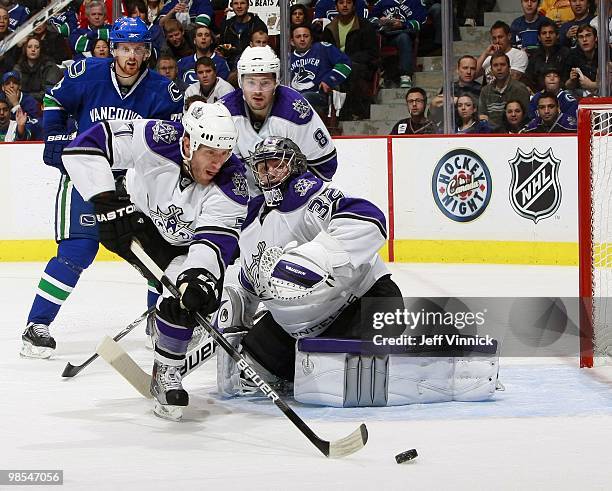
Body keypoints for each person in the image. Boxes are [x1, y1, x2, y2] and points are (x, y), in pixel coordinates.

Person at [62, 102, 248, 420]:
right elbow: (84, 145)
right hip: (137, 225)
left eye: (224, 153)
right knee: (176, 295)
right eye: (210, 152)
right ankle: (166, 323)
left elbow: (213, 244)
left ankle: (166, 372)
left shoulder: (233, 185)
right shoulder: (155, 137)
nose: (218, 162)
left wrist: (198, 279)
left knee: (187, 298)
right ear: (188, 142)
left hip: (189, 247)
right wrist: (105, 199)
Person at [21, 17, 184, 359]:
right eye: (125, 48)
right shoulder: (87, 74)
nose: (131, 56)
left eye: (138, 49)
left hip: (136, 184)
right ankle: (37, 326)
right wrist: (54, 134)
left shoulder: (162, 91)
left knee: (156, 254)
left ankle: (160, 321)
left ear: (147, 52)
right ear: (114, 49)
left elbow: (171, 139)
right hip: (88, 178)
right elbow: (55, 101)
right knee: (77, 253)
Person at [216, 135, 404, 396]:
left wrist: (314, 259)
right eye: (262, 166)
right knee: (246, 375)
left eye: (277, 164)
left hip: (362, 304)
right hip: (297, 324)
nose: (269, 172)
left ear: (295, 166)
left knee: (337, 384)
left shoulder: (307, 192)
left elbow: (370, 220)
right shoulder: (250, 219)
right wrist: (233, 305)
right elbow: (248, 279)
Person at [220, 46, 338, 194]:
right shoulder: (224, 113)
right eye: (251, 82)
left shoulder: (295, 111)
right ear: (240, 82)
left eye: (265, 82)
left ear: (276, 82)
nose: (257, 90)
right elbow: (223, 173)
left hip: (291, 195)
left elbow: (325, 166)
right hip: (246, 200)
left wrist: (296, 196)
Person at [322, 0, 379, 120]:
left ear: (353, 6)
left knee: (350, 71)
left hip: (360, 66)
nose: (345, 5)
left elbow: (372, 53)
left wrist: (347, 61)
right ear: (336, 6)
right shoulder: (329, 28)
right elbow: (324, 53)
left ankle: (346, 114)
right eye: (341, 2)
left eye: (348, 2)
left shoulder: (365, 26)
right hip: (335, 67)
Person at [290, 25, 352, 115]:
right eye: (298, 36)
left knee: (303, 99)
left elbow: (345, 64)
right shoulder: (287, 59)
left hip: (319, 96)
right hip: (293, 98)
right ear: (292, 41)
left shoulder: (323, 48)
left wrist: (329, 80)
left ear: (311, 39)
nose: (302, 39)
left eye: (306, 36)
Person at [369, 0, 428, 88]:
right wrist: (379, 21)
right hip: (385, 35)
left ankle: (405, 76)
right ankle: (376, 75)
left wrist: (402, 24)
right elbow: (370, 19)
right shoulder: (382, 2)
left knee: (404, 38)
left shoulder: (416, 2)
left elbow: (421, 23)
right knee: (370, 37)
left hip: (402, 33)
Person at [478, 52, 531, 131]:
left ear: (509, 68)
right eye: (495, 65)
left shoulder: (520, 89)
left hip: (515, 135)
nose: (499, 68)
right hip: (491, 136)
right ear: (491, 69)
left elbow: (525, 119)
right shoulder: (485, 91)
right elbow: (482, 117)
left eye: (502, 65)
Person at [429, 55, 482, 125]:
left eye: (472, 68)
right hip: (450, 129)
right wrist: (434, 106)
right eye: (465, 68)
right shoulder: (449, 88)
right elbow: (435, 115)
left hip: (474, 130)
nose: (469, 72)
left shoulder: (480, 89)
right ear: (458, 69)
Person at [218, 0, 268, 71]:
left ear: (248, 5)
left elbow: (263, 51)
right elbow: (222, 49)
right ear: (231, 6)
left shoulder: (258, 25)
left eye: (242, 3)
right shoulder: (226, 25)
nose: (239, 6)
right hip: (230, 68)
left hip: (253, 67)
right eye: (236, 3)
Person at [13, 36, 63, 103]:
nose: (33, 49)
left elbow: (49, 92)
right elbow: (13, 91)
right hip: (22, 105)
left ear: (41, 49)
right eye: (29, 47)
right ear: (25, 49)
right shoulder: (18, 67)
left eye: (37, 47)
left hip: (44, 104)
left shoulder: (49, 66)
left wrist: (23, 96)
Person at [525, 19, 570, 91]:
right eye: (544, 33)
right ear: (539, 37)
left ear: (557, 35)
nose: (548, 36)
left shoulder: (565, 53)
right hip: (537, 94)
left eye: (551, 32)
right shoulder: (535, 54)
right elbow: (528, 78)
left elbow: (566, 78)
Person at [563, 24, 598, 96]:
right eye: (581, 37)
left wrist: (592, 85)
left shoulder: (606, 53)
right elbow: (566, 85)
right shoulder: (573, 55)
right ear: (577, 40)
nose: (584, 40)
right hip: (582, 93)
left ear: (596, 38)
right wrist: (571, 80)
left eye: (588, 35)